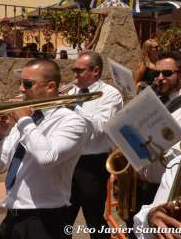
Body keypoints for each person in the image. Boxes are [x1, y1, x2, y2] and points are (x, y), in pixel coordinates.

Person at [0, 58, 89, 239]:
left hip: (46, 221)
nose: (21, 89)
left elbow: (47, 157)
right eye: (20, 83)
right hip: (12, 218)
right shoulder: (26, 120)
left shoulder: (71, 121)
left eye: (27, 84)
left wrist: (24, 121)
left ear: (50, 87)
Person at [128, 51, 181, 239]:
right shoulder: (150, 102)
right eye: (157, 74)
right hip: (141, 187)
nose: (160, 78)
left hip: (166, 194)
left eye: (167, 74)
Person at [66, 51, 123, 239]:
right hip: (68, 162)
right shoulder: (72, 92)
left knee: (95, 221)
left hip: (92, 165)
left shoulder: (110, 95)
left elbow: (101, 126)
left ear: (95, 71)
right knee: (61, 220)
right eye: (74, 70)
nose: (75, 75)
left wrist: (74, 106)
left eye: (79, 71)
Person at [133, 154, 181, 239]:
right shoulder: (179, 163)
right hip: (141, 185)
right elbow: (141, 227)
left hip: (154, 185)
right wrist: (150, 218)